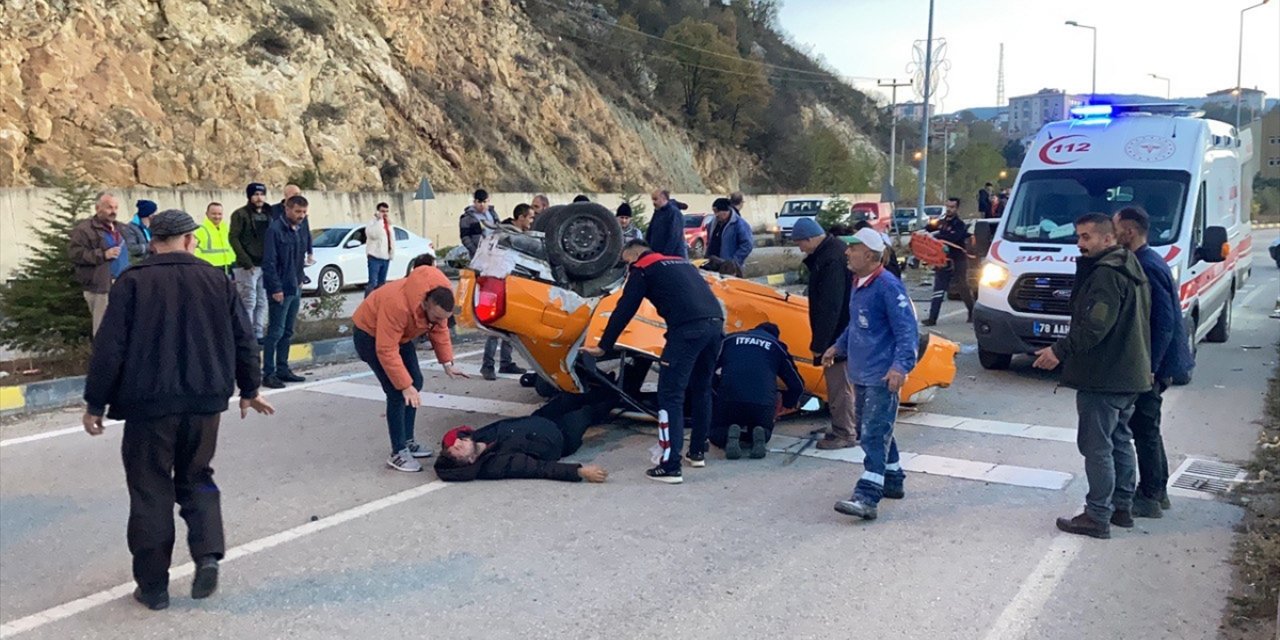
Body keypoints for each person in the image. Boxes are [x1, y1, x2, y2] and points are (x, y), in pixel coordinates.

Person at [81, 209, 274, 611]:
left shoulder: (133, 281)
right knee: (197, 476)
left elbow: (109, 348)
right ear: (189, 240)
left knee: (151, 489)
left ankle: (153, 589)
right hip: (205, 404)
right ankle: (206, 555)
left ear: (153, 242)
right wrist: (250, 388)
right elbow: (245, 338)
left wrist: (95, 403)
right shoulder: (216, 280)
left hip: (148, 407)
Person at [1033, 212, 1152, 539]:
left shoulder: (1105, 274)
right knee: (1119, 440)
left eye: (1086, 237)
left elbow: (1095, 326)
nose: (1080, 244)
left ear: (1108, 238)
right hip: (1129, 373)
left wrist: (1058, 351)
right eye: (1078, 237)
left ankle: (1097, 514)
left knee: (1097, 446)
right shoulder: (1130, 265)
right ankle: (1121, 506)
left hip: (1106, 375)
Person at [583, 239, 722, 483]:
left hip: (687, 332)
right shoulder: (681, 262)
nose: (625, 266)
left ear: (632, 254)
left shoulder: (643, 267)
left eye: (625, 260)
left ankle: (670, 466)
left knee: (670, 396)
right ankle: (697, 451)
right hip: (715, 326)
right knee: (701, 389)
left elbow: (625, 309)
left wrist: (604, 346)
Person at [826, 228, 919, 522]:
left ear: (869, 254)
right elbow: (856, 325)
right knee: (875, 428)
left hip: (881, 374)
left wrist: (901, 366)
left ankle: (867, 495)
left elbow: (907, 331)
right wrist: (838, 347)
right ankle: (892, 479)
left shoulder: (888, 287)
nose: (846, 253)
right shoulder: (859, 282)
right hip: (861, 372)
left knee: (873, 433)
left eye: (852, 248)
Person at [1114, 206, 1193, 518]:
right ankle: (1156, 491)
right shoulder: (1146, 260)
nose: (1113, 231)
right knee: (1146, 427)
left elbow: (1164, 322)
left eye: (1116, 227)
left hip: (1152, 363)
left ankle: (1151, 495)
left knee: (1144, 428)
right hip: (1153, 361)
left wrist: (1151, 366)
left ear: (1130, 232)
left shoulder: (1147, 265)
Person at [352, 262, 467, 471]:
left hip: (401, 336)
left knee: (417, 381)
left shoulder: (439, 300)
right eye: (437, 317)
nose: (441, 321)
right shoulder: (398, 304)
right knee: (398, 391)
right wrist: (404, 385)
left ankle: (408, 441)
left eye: (445, 318)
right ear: (425, 303)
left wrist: (447, 363)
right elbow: (386, 349)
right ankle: (398, 453)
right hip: (369, 335)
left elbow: (439, 329)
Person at [791, 218, 858, 449]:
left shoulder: (830, 259)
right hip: (844, 333)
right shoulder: (834, 252)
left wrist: (822, 344)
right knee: (845, 385)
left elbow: (830, 306)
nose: (800, 248)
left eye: (800, 243)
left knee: (839, 386)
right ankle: (849, 426)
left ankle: (845, 433)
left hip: (837, 336)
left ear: (810, 239)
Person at [710, 322, 805, 460]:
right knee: (762, 429)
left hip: (729, 399)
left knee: (716, 432)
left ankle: (728, 433)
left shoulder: (729, 340)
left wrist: (716, 391)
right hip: (762, 403)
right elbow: (798, 386)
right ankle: (758, 434)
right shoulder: (777, 346)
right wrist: (788, 403)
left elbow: (707, 371)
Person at [434, 409, 609, 483]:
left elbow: (452, 435)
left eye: (454, 444)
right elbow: (539, 468)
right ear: (470, 460)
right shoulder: (497, 465)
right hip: (559, 438)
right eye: (458, 448)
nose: (458, 442)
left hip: (538, 419)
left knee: (570, 396)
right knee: (587, 411)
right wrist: (580, 472)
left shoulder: (473, 439)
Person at [260, 195, 309, 389]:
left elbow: (299, 257)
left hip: (295, 286)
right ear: (287, 210)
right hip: (281, 289)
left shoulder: (300, 229)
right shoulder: (274, 230)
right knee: (275, 332)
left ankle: (283, 369)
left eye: (304, 212)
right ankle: (269, 373)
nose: (301, 216)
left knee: (288, 331)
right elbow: (269, 263)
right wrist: (276, 288)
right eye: (298, 211)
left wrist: (300, 280)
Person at [69, 191, 130, 336]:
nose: (113, 211)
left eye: (115, 208)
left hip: (123, 284)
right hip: (100, 288)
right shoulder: (84, 230)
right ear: (97, 208)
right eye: (109, 207)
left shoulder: (121, 228)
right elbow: (75, 254)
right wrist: (102, 255)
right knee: (103, 330)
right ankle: (102, 358)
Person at [229, 183, 273, 341]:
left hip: (265, 265)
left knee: (262, 300)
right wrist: (246, 261)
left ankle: (259, 332)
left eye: (262, 194)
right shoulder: (240, 215)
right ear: (249, 196)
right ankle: (246, 334)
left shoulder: (270, 214)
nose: (259, 197)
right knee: (248, 301)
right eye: (256, 194)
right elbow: (233, 238)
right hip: (247, 266)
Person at [923, 197, 975, 326]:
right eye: (948, 207)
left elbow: (954, 237)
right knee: (939, 289)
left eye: (952, 207)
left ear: (957, 208)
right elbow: (928, 228)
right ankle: (932, 318)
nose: (949, 209)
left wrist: (938, 235)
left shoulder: (960, 225)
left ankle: (972, 312)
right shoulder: (941, 222)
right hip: (943, 260)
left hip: (958, 260)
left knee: (962, 287)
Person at [705, 197, 753, 270]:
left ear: (725, 211)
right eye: (714, 212)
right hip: (713, 265)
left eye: (717, 212)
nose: (716, 215)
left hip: (730, 269)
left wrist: (734, 262)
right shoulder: (713, 223)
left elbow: (747, 245)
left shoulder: (739, 224)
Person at [270, 185, 313, 264]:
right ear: (286, 195)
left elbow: (306, 233)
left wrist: (310, 252)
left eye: (299, 194)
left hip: (299, 254)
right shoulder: (273, 210)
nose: (298, 197)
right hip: (281, 254)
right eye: (295, 194)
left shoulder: (302, 215)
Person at [194, 202, 235, 277]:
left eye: (219, 214)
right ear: (207, 214)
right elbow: (194, 251)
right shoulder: (200, 230)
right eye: (214, 214)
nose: (217, 216)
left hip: (227, 268)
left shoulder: (226, 229)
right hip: (209, 269)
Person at [645, 189, 688, 259]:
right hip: (657, 255)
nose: (653, 202)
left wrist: (665, 256)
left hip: (673, 257)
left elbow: (674, 236)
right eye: (652, 200)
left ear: (663, 198)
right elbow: (650, 232)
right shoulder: (658, 212)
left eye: (655, 199)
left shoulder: (674, 213)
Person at [365, 202, 395, 297]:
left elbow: (392, 240)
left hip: (385, 258)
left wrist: (391, 254)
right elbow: (374, 235)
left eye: (386, 211)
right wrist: (379, 220)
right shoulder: (372, 223)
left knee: (382, 284)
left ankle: (379, 304)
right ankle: (366, 303)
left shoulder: (389, 224)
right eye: (382, 211)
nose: (385, 213)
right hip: (374, 257)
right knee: (372, 283)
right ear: (378, 211)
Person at [460, 189, 497, 257]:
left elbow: (499, 229)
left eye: (484, 202)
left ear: (488, 201)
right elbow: (465, 237)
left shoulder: (493, 214)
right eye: (479, 202)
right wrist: (475, 251)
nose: (482, 204)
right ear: (474, 202)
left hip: (494, 252)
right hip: (478, 254)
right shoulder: (467, 217)